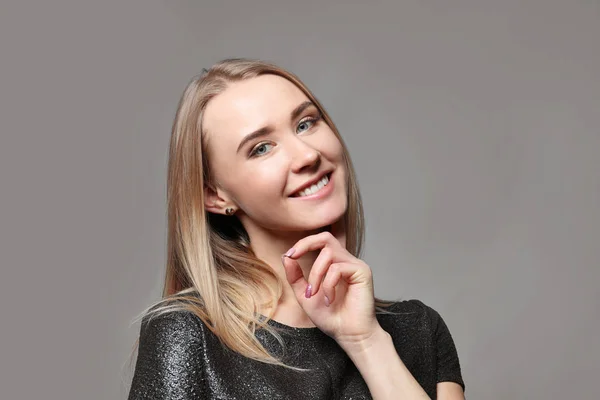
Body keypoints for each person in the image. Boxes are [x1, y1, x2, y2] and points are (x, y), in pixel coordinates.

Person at [127, 58, 466, 399]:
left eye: (305, 124)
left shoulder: (419, 329)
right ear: (215, 195)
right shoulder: (187, 335)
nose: (307, 155)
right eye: (261, 148)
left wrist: (366, 342)